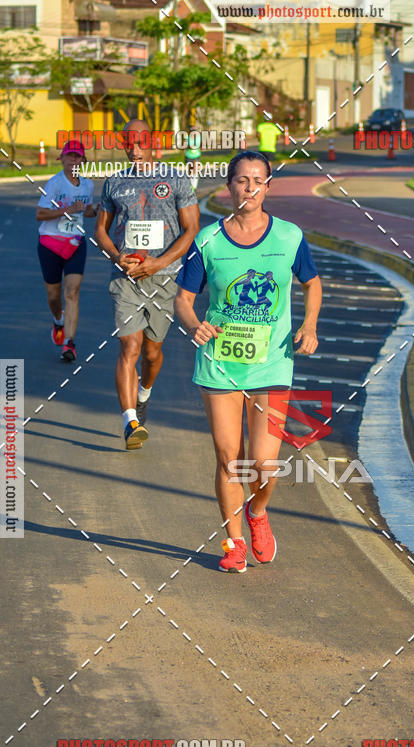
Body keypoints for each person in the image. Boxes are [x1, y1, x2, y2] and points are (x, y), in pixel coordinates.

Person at [174, 150, 322, 573]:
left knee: (262, 463)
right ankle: (235, 542)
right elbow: (183, 300)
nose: (250, 188)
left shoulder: (289, 237)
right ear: (229, 186)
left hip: (272, 362)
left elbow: (312, 284)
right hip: (220, 362)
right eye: (242, 180)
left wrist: (309, 325)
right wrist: (194, 324)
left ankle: (258, 512)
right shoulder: (208, 240)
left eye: (259, 180)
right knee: (228, 457)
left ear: (268, 187)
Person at [95, 119, 199, 449]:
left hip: (164, 279)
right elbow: (101, 231)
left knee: (152, 353)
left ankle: (144, 394)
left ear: (153, 143)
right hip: (126, 279)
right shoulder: (113, 182)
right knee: (130, 347)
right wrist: (116, 258)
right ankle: (130, 423)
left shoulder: (176, 179)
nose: (134, 148)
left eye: (140, 142)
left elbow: (191, 228)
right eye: (129, 142)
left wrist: (159, 263)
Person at [36, 139, 97, 362]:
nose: (73, 160)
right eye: (69, 155)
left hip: (75, 243)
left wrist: (94, 211)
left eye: (77, 156)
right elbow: (40, 214)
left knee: (72, 292)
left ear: (83, 160)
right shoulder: (55, 184)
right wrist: (66, 210)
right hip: (50, 244)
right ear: (61, 159)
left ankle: (69, 344)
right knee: (54, 296)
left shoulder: (88, 185)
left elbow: (87, 211)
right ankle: (58, 320)